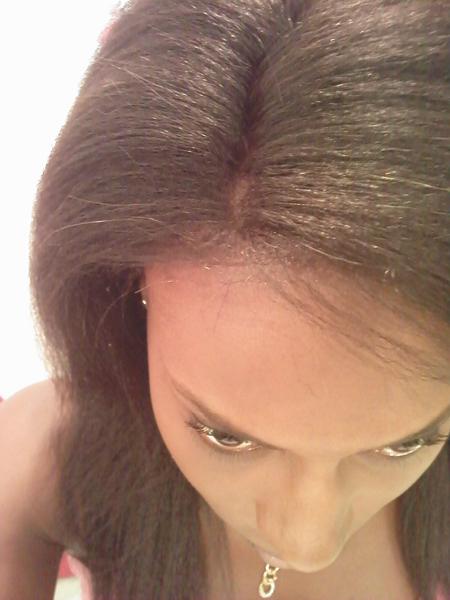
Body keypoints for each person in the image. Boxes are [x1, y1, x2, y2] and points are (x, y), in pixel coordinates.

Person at [2, 0, 448, 599]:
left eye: (407, 443)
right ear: (129, 283)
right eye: (226, 437)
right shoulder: (52, 458)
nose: (307, 543)